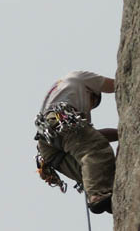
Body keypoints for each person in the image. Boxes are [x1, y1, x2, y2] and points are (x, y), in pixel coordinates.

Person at [34, 71, 118, 214]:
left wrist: (119, 133)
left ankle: (106, 198)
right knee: (96, 152)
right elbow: (115, 85)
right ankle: (97, 195)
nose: (90, 108)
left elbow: (92, 137)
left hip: (48, 143)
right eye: (93, 103)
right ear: (93, 93)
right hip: (62, 118)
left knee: (92, 169)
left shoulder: (61, 90)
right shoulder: (79, 77)